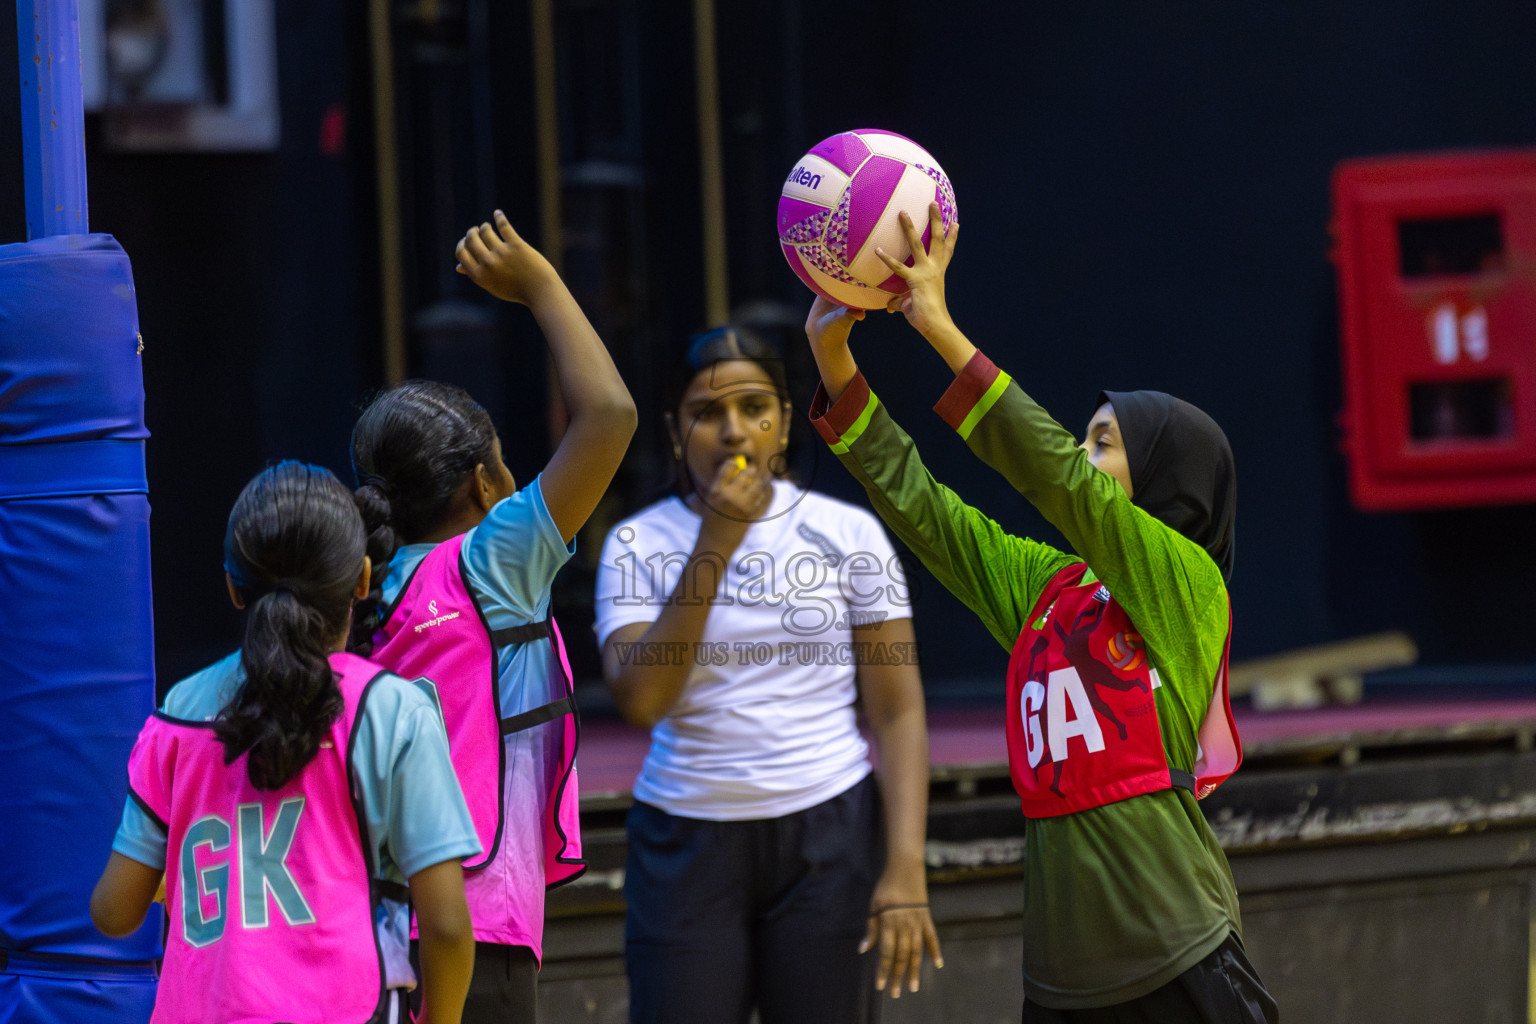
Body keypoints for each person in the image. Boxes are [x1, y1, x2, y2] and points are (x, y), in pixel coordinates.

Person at [802, 204, 1278, 1023]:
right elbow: (928, 512)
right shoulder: (1049, 588)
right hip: (1060, 978)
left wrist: (937, 327)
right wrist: (834, 361)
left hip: (1181, 951)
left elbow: (1056, 477)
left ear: (1167, 476)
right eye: (1085, 440)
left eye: (1104, 442)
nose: (1083, 454)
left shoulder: (1189, 584)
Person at [593, 325, 943, 1024]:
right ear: (675, 432)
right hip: (686, 835)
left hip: (829, 830)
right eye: (707, 412)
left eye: (754, 408)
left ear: (783, 422)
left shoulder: (849, 534)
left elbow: (898, 711)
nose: (733, 430)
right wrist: (716, 540)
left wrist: (906, 866)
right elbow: (642, 699)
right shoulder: (636, 543)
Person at [347, 211, 636, 1023]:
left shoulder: (359, 580)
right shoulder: (492, 564)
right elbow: (610, 415)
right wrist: (541, 283)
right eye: (506, 464)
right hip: (474, 930)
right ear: (484, 485)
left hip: (368, 929)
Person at [91, 461, 478, 1024]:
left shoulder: (179, 712)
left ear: (234, 588)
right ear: (362, 579)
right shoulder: (392, 709)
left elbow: (114, 911)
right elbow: (446, 925)